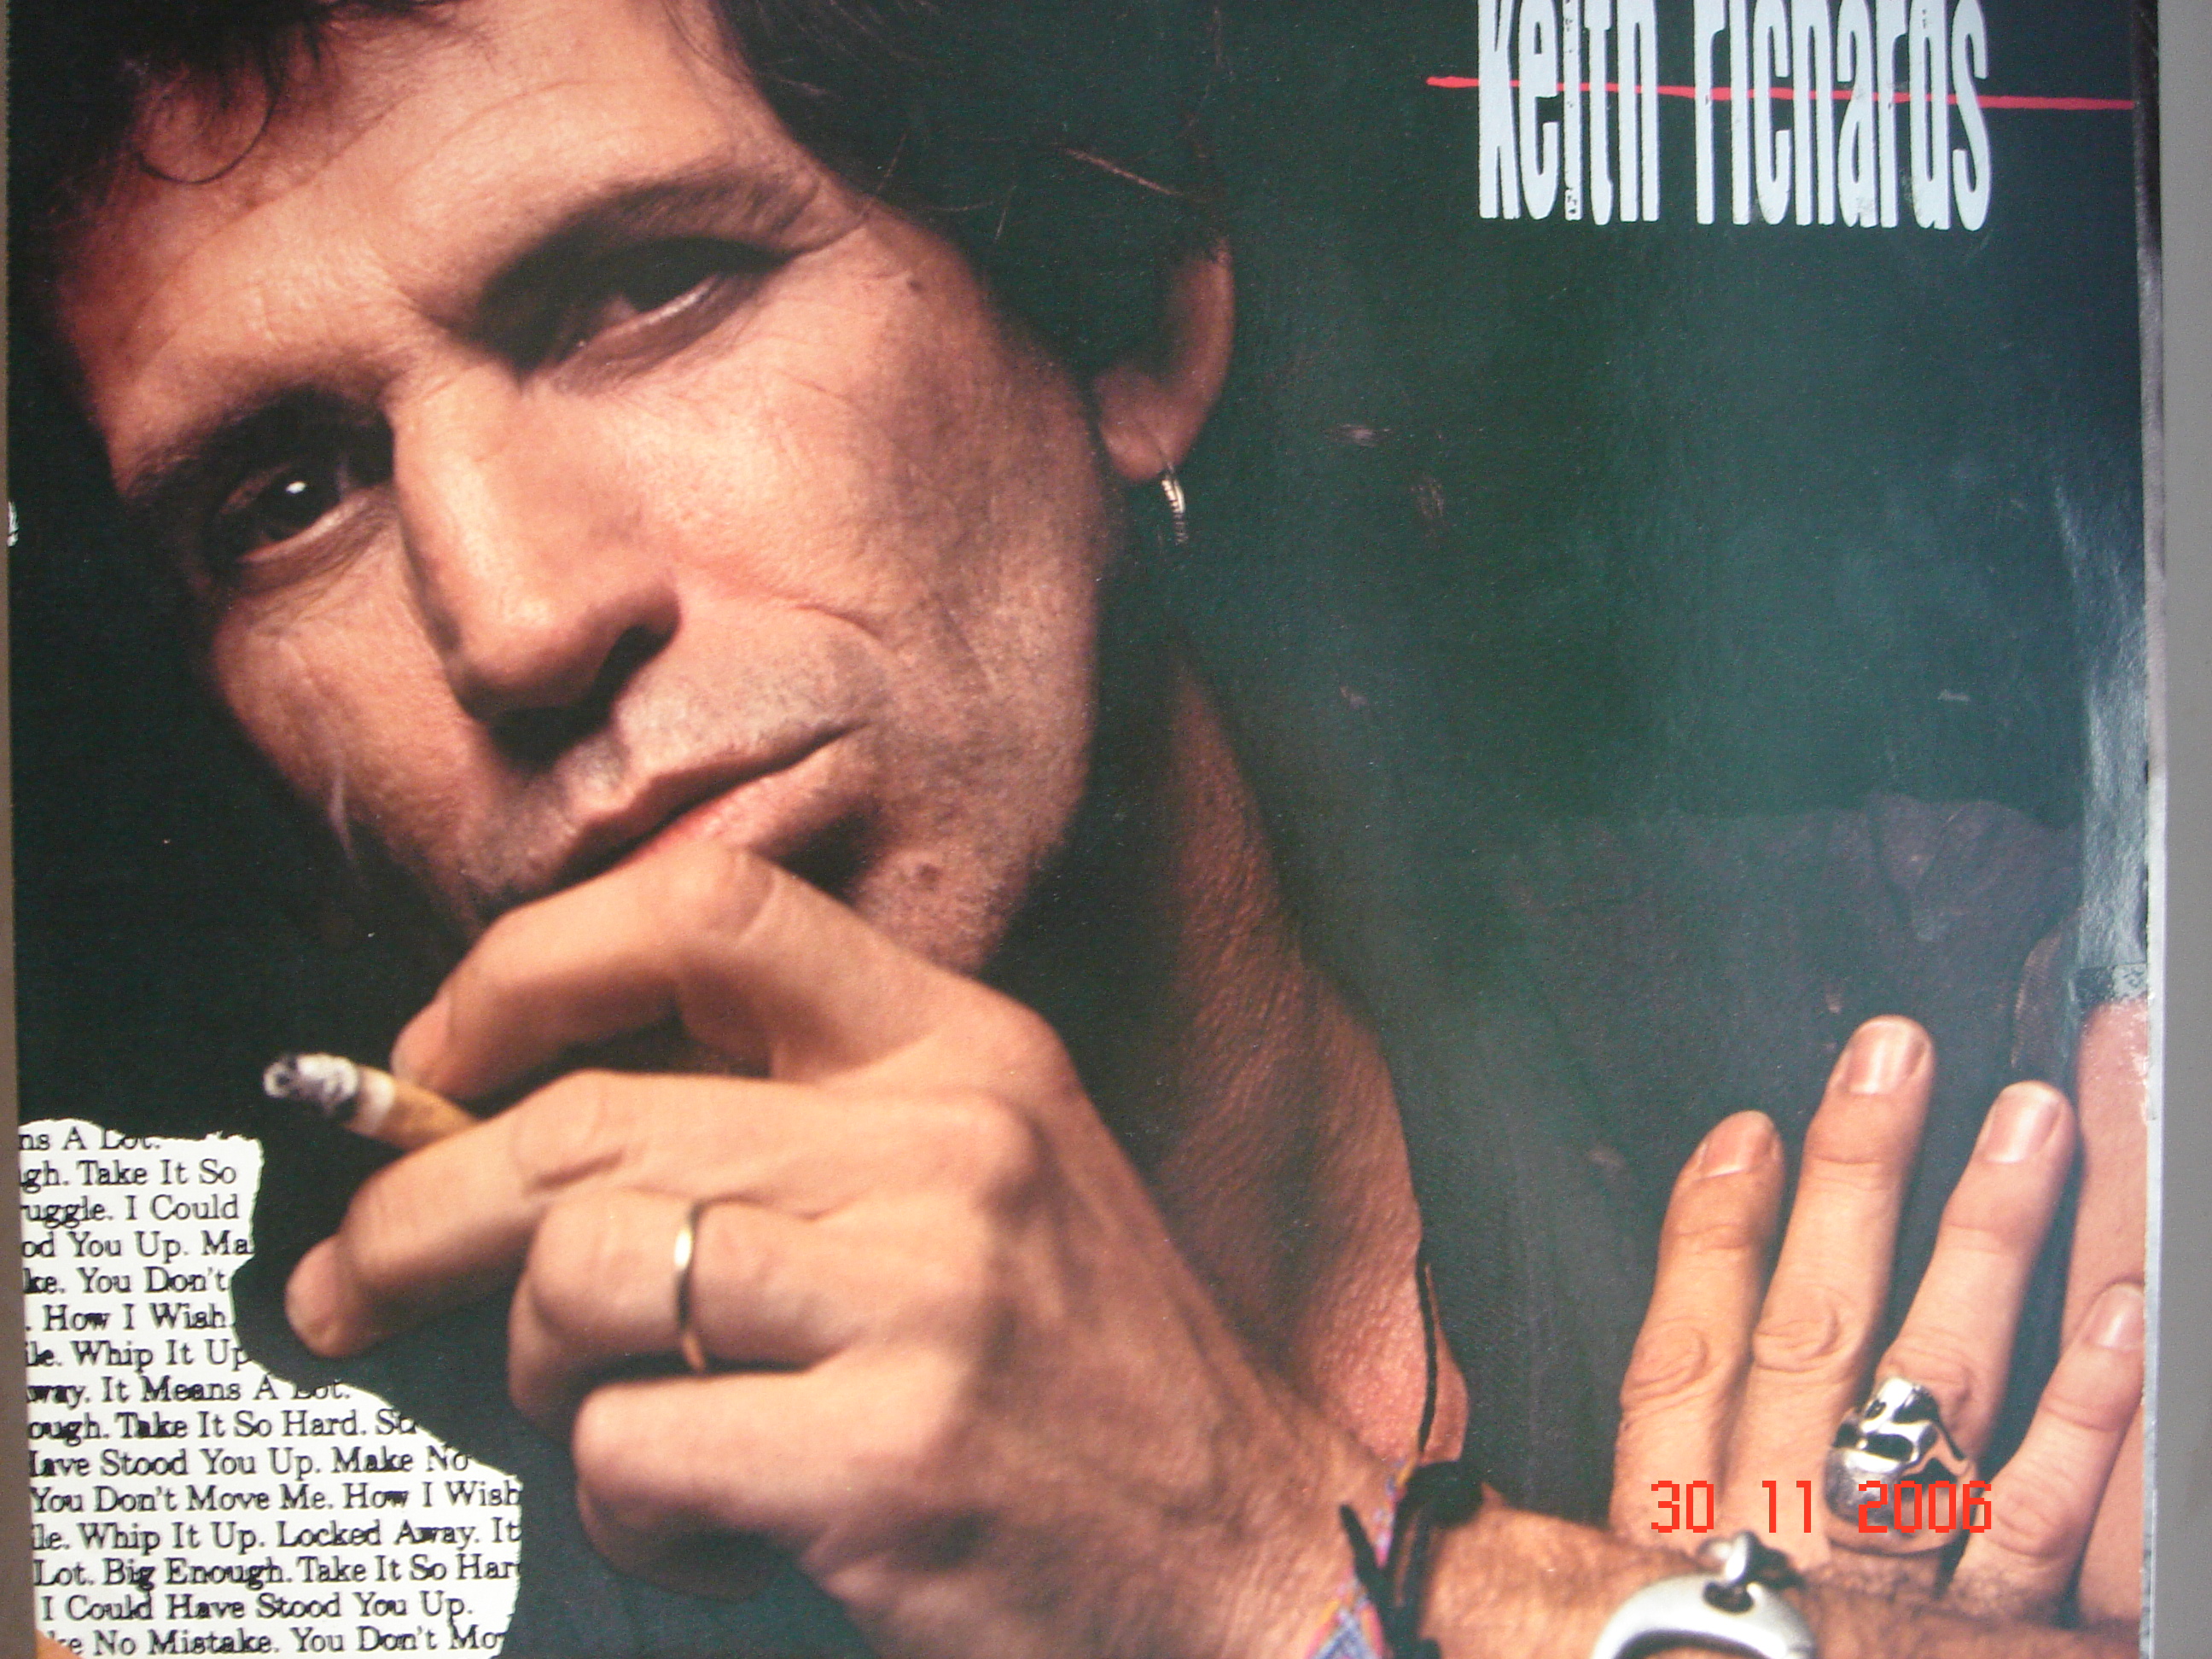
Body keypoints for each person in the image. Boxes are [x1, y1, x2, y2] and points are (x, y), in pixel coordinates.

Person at [11, 0, 2146, 1653]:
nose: (513, 616)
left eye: (647, 290)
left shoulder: (1977, 1009)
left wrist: (1299, 1569)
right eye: (284, 498)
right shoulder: (268, 1539)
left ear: (1134, 323)